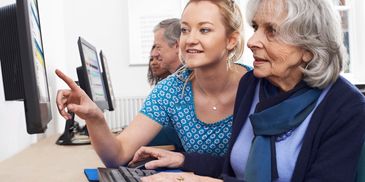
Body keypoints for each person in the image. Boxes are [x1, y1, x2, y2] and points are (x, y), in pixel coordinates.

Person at [130, 0, 365, 181]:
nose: (252, 40)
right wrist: (183, 160)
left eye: (271, 30)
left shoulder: (345, 107)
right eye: (255, 27)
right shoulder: (251, 85)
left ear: (309, 47)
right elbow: (237, 169)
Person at [55, 0, 249, 168]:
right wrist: (94, 118)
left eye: (204, 30)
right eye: (185, 30)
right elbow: (117, 155)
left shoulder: (257, 85)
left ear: (231, 40)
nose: (190, 39)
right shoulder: (170, 90)